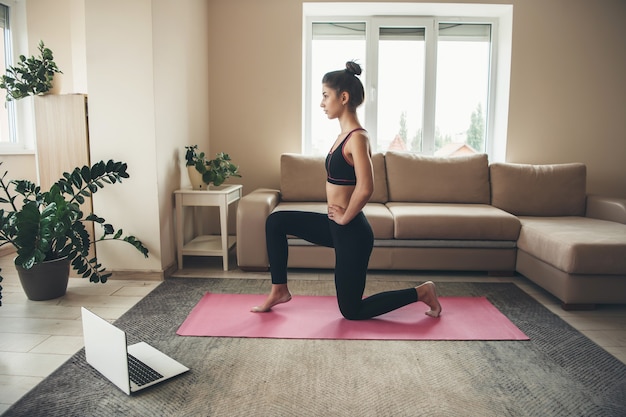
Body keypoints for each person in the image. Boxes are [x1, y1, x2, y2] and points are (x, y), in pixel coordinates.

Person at [251, 61, 441, 320]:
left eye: (325, 96)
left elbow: (366, 187)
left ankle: (422, 292)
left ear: (343, 97)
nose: (322, 103)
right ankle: (279, 289)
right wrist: (336, 219)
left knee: (352, 311)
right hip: (334, 226)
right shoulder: (342, 136)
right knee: (276, 221)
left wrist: (344, 217)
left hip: (352, 233)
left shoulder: (358, 138)